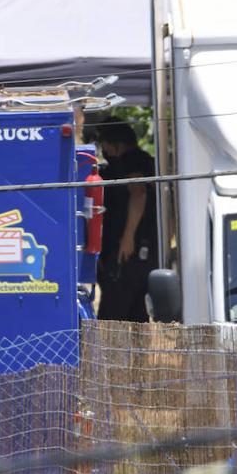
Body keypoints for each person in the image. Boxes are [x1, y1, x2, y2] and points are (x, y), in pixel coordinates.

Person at [96, 118, 157, 322]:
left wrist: (128, 237)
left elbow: (138, 193)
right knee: (136, 316)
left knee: (110, 320)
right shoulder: (148, 161)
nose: (104, 151)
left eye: (105, 145)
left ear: (117, 144)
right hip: (144, 251)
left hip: (128, 252)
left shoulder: (132, 160)